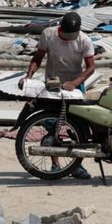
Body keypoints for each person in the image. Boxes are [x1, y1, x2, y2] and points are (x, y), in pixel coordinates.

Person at [20, 11, 96, 179]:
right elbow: (37, 58)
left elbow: (91, 67)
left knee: (79, 128)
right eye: (66, 35)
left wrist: (75, 83)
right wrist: (28, 77)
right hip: (53, 84)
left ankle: (76, 165)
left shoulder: (84, 40)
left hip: (74, 85)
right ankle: (55, 165)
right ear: (60, 28)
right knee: (53, 126)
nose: (69, 38)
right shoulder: (49, 35)